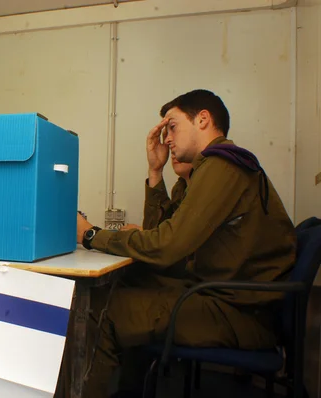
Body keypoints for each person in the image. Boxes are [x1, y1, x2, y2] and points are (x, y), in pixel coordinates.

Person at [64, 89, 296, 397]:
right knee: (122, 286)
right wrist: (156, 170)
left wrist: (91, 235)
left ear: (203, 119)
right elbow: (159, 235)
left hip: (239, 311)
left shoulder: (223, 165)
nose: (167, 139)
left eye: (171, 126)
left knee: (106, 312)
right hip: (223, 296)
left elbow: (165, 246)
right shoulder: (208, 170)